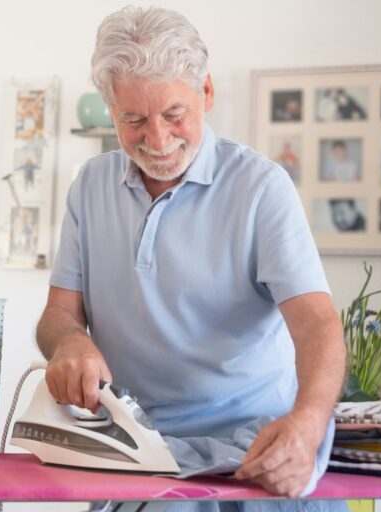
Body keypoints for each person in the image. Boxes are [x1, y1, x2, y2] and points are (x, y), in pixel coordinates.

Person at [37, 6, 346, 508]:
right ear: (109, 107)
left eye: (174, 114)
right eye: (134, 119)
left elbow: (317, 323)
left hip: (256, 454)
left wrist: (308, 423)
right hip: (136, 451)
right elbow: (59, 315)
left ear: (205, 93)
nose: (157, 141)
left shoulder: (260, 187)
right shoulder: (90, 187)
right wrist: (70, 344)